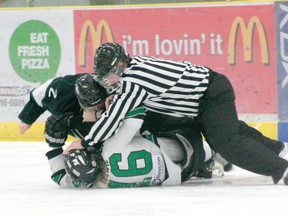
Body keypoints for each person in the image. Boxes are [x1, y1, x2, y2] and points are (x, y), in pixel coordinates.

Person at [75, 42, 288, 185]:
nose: (108, 81)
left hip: (210, 94)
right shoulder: (134, 69)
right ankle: (279, 150)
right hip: (209, 92)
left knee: (225, 142)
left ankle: (281, 168)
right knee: (232, 132)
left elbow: (113, 120)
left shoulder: (133, 82)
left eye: (110, 74)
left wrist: (86, 143)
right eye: (104, 76)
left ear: (121, 65)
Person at [45, 105, 217, 189]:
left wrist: (54, 144)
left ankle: (200, 166)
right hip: (184, 146)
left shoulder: (93, 184)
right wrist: (109, 105)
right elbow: (136, 112)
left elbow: (59, 176)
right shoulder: (111, 148)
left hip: (180, 175)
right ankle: (215, 152)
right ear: (92, 156)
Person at [18, 73, 107, 139]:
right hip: (74, 114)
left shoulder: (110, 87)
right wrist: (27, 118)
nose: (96, 108)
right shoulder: (62, 92)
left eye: (98, 106)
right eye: (92, 108)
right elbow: (39, 94)